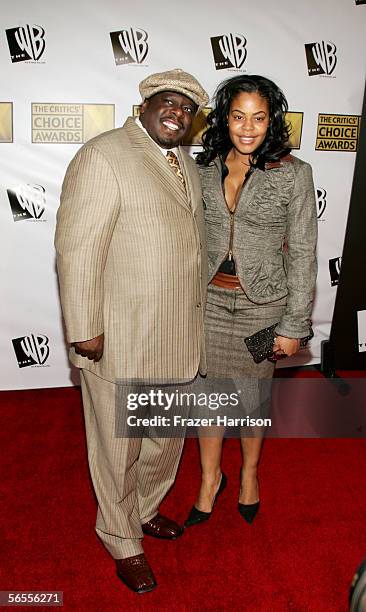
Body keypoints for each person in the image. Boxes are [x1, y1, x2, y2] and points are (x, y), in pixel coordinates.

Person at [55, 68, 208, 594]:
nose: (177, 114)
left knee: (165, 441)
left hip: (177, 337)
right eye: (168, 102)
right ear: (144, 104)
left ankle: (142, 510)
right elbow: (78, 250)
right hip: (119, 336)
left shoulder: (184, 163)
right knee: (117, 446)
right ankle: (121, 538)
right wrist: (84, 327)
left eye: (187, 108)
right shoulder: (104, 155)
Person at [184, 74, 317, 528]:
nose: (247, 127)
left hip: (264, 307)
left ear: (271, 121)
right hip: (209, 304)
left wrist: (294, 324)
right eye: (238, 116)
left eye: (258, 118)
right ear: (225, 118)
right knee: (208, 397)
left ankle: (250, 475)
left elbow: (302, 252)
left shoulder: (294, 174)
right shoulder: (201, 167)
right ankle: (208, 479)